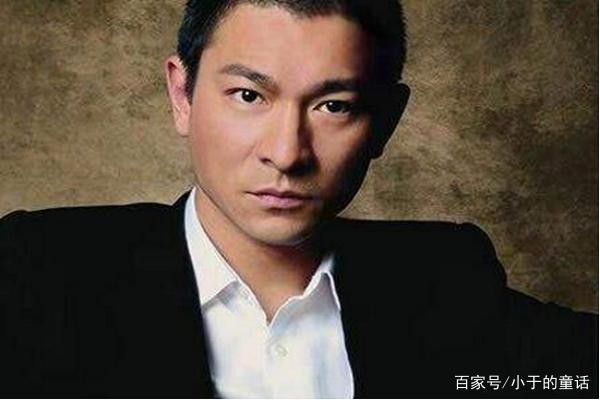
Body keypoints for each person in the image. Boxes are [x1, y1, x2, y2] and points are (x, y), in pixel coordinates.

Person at [0, 0, 596, 398]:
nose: (287, 154)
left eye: (334, 106)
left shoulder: (444, 278)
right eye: (248, 96)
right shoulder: (37, 272)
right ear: (183, 95)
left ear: (385, 122)